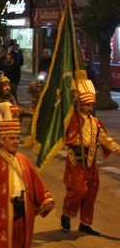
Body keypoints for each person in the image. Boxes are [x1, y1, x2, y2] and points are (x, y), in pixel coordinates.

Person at [0, 118, 55, 247]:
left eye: (17, 138)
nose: (16, 142)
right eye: (12, 138)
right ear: (1, 140)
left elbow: (35, 181)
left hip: (23, 215)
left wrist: (46, 198)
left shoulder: (24, 160)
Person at [60, 79, 120, 236]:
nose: (90, 108)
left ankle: (85, 224)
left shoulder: (95, 122)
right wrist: (72, 97)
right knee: (79, 190)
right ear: (79, 105)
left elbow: (105, 139)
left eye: (91, 105)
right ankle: (67, 213)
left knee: (91, 193)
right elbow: (63, 111)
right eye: (87, 105)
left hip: (91, 162)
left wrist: (118, 150)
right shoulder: (72, 119)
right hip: (76, 161)